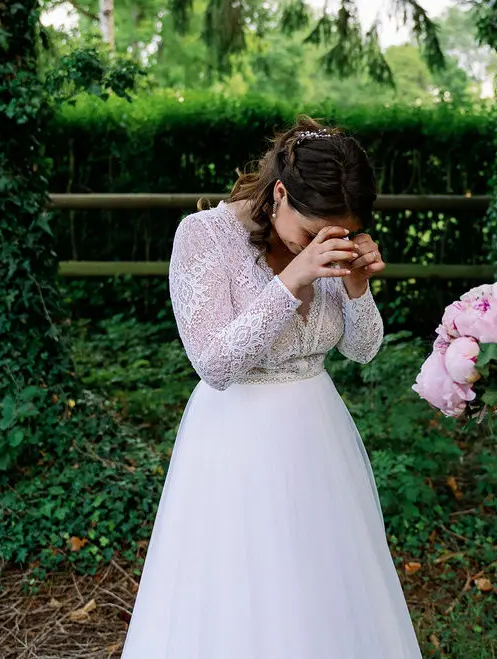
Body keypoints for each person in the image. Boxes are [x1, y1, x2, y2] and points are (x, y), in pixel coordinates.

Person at [121, 117, 422, 658]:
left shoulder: (330, 240)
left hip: (319, 438)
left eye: (343, 233)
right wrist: (293, 278)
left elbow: (362, 349)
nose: (324, 243)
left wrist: (357, 285)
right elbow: (214, 363)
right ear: (280, 192)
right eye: (311, 232)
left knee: (323, 588)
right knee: (244, 592)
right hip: (236, 444)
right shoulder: (204, 236)